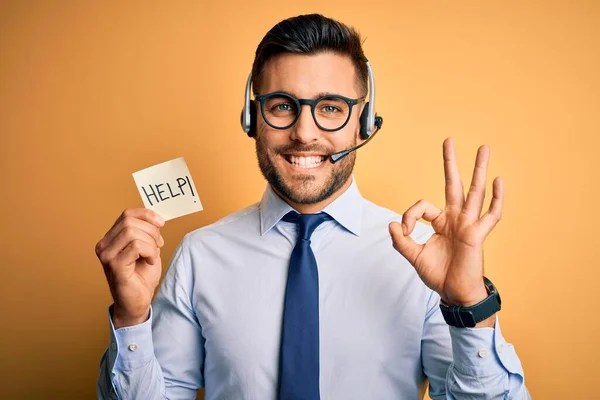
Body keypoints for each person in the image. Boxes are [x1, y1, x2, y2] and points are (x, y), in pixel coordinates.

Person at [95, 14, 530, 400]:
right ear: (252, 119)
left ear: (363, 124)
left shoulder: (422, 259)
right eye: (282, 106)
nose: (304, 133)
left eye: (330, 108)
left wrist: (469, 304)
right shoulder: (199, 256)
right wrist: (132, 318)